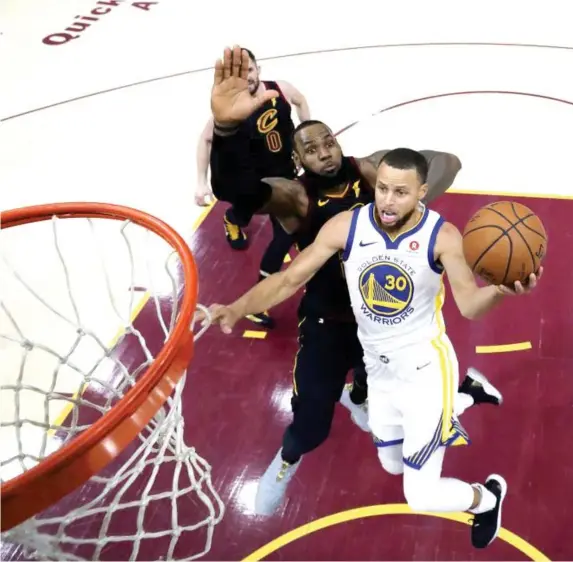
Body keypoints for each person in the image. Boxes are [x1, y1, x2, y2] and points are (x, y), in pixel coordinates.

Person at [203, 46, 502, 518]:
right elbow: (235, 193)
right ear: (297, 160)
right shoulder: (297, 196)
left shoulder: (369, 173)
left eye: (328, 143)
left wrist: (413, 201)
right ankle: (287, 459)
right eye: (311, 149)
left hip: (385, 328)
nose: (323, 152)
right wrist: (223, 128)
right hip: (327, 321)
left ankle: (449, 393)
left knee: (380, 402)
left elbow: (444, 163)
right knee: (312, 423)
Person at [200, 147, 543, 549]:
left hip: (425, 370)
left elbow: (469, 306)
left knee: (421, 496)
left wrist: (500, 292)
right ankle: (465, 395)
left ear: (422, 192)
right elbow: (289, 279)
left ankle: (487, 498)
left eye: (400, 192)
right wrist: (237, 308)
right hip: (379, 371)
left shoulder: (442, 237)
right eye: (381, 188)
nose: (387, 200)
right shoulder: (347, 226)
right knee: (391, 463)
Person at [197, 47, 311, 328]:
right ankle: (258, 299)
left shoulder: (280, 89)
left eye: (249, 69)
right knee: (283, 233)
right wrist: (200, 182)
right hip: (258, 183)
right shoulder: (232, 110)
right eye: (239, 71)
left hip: (286, 174)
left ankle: (234, 220)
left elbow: (300, 99)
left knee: (286, 232)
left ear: (259, 69)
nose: (245, 75)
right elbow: (205, 141)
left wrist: (307, 133)